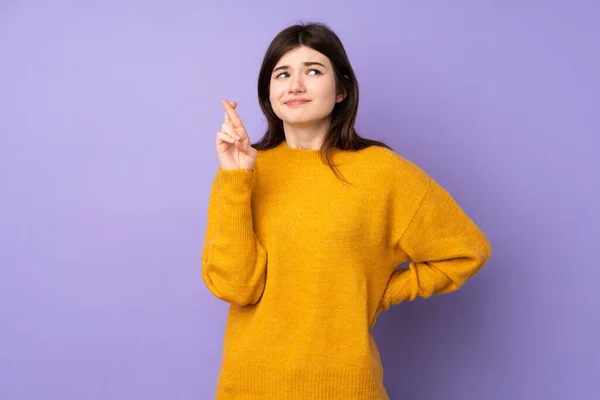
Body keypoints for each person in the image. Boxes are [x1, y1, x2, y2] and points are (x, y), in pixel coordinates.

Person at [201, 22, 492, 400]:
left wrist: (378, 292)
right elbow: (235, 287)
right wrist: (237, 181)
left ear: (341, 90)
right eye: (283, 73)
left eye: (313, 71)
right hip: (248, 387)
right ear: (269, 92)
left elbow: (465, 251)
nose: (295, 85)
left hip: (346, 388)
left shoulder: (382, 172)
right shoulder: (240, 173)